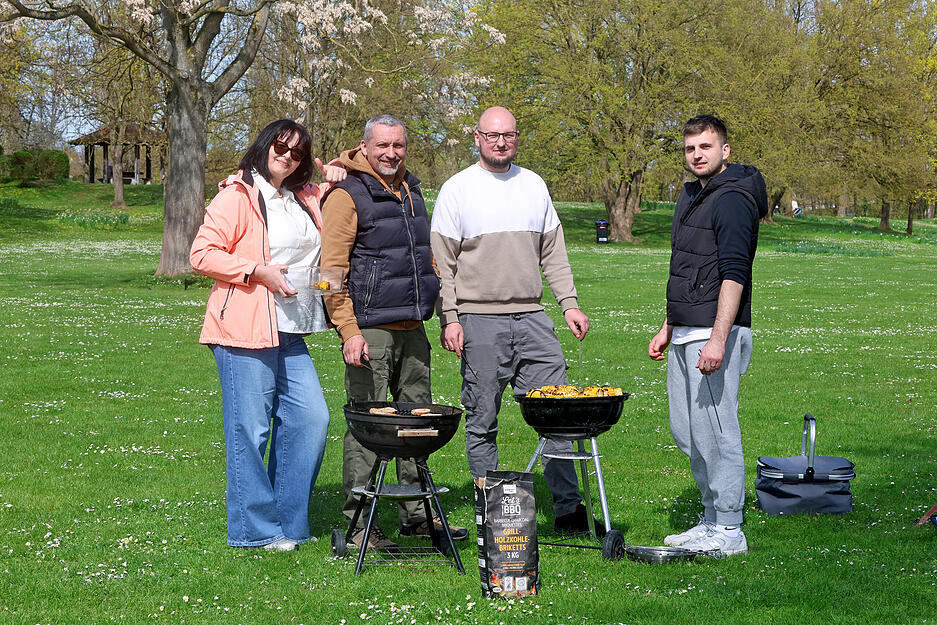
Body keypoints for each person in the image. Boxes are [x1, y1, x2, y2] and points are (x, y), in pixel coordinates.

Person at [431, 105, 602, 535]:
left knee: (557, 413)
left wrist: (570, 304)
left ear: (517, 137)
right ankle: (490, 508)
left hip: (533, 318)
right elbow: (442, 266)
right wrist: (450, 318)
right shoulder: (457, 190)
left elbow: (554, 254)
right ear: (477, 138)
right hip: (478, 319)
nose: (500, 142)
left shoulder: (534, 185)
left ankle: (568, 509)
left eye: (508, 135)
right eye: (492, 135)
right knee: (482, 417)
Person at [190, 119, 346, 551]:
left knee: (311, 421)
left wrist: (337, 167)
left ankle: (289, 524)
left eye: (297, 152)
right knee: (250, 431)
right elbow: (201, 253)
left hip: (292, 331)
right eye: (280, 146)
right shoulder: (237, 195)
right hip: (243, 330)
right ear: (264, 146)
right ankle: (253, 531)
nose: (287, 156)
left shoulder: (304, 196)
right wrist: (256, 271)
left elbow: (361, 163)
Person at [320, 114, 467, 551]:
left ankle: (418, 519)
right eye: (383, 145)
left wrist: (445, 314)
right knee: (369, 426)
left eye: (399, 145)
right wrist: (347, 330)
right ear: (364, 147)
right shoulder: (346, 195)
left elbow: (429, 258)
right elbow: (329, 272)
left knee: (417, 424)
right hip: (370, 330)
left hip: (413, 328)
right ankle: (360, 524)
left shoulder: (412, 190)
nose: (391, 153)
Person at [647, 114, 768, 556]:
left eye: (705, 147)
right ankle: (712, 518)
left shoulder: (733, 199)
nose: (696, 155)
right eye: (689, 148)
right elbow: (685, 268)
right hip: (686, 329)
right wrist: (668, 326)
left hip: (715, 332)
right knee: (689, 432)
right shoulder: (692, 195)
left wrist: (719, 339)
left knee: (717, 430)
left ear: (725, 151)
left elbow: (734, 274)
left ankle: (730, 530)